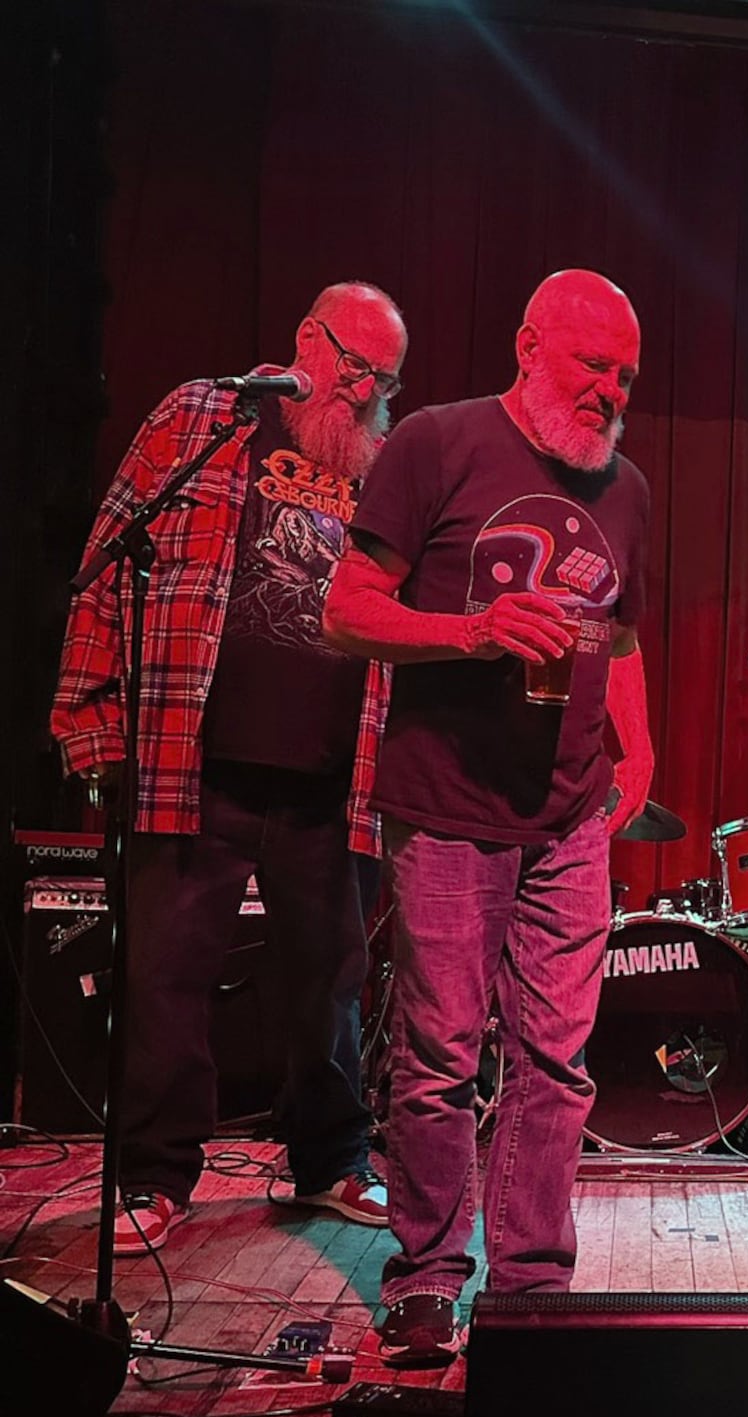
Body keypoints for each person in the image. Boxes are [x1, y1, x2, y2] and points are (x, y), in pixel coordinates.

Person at [323, 268, 655, 1367]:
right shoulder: (435, 443)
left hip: (565, 817)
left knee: (557, 1066)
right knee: (436, 1059)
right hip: (447, 809)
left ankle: (529, 1286)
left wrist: (639, 745)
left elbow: (624, 632)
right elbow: (345, 609)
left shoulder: (629, 490)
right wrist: (468, 632)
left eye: (625, 375)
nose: (610, 390)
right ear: (529, 345)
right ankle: (425, 1280)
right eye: (591, 364)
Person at [52, 281, 409, 1254]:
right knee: (164, 977)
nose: (368, 389)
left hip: (334, 784)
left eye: (386, 379)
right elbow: (105, 561)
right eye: (359, 366)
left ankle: (332, 1163)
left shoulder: (385, 463)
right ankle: (156, 1180)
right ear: (308, 341)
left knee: (328, 989)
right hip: (190, 762)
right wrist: (89, 726)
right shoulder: (200, 420)